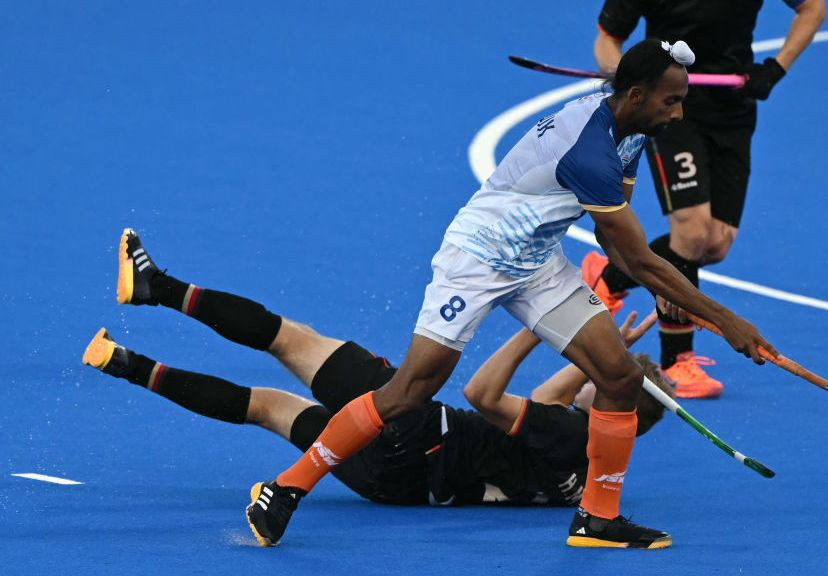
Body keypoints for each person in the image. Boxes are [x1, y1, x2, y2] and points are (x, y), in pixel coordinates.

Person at [243, 38, 778, 550]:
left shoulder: (634, 130)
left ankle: (599, 518)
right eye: (673, 101)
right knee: (409, 391)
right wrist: (725, 320)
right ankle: (286, 488)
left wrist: (665, 287)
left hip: (537, 260)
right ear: (636, 95)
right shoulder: (588, 149)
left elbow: (619, 241)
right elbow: (637, 258)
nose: (680, 114)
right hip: (477, 258)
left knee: (619, 377)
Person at [86, 228, 674, 508]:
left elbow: (485, 393)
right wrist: (600, 351)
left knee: (290, 340)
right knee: (265, 406)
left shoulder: (571, 433)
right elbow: (552, 401)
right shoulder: (585, 455)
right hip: (392, 485)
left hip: (412, 428)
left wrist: (539, 321)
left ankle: (155, 287)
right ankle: (124, 363)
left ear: (611, 401)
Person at [586, 0, 826, 399]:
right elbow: (608, 40)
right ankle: (676, 361)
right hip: (673, 109)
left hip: (734, 107)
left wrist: (777, 67)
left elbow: (813, 8)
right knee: (692, 233)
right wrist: (624, 78)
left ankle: (609, 277)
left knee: (714, 244)